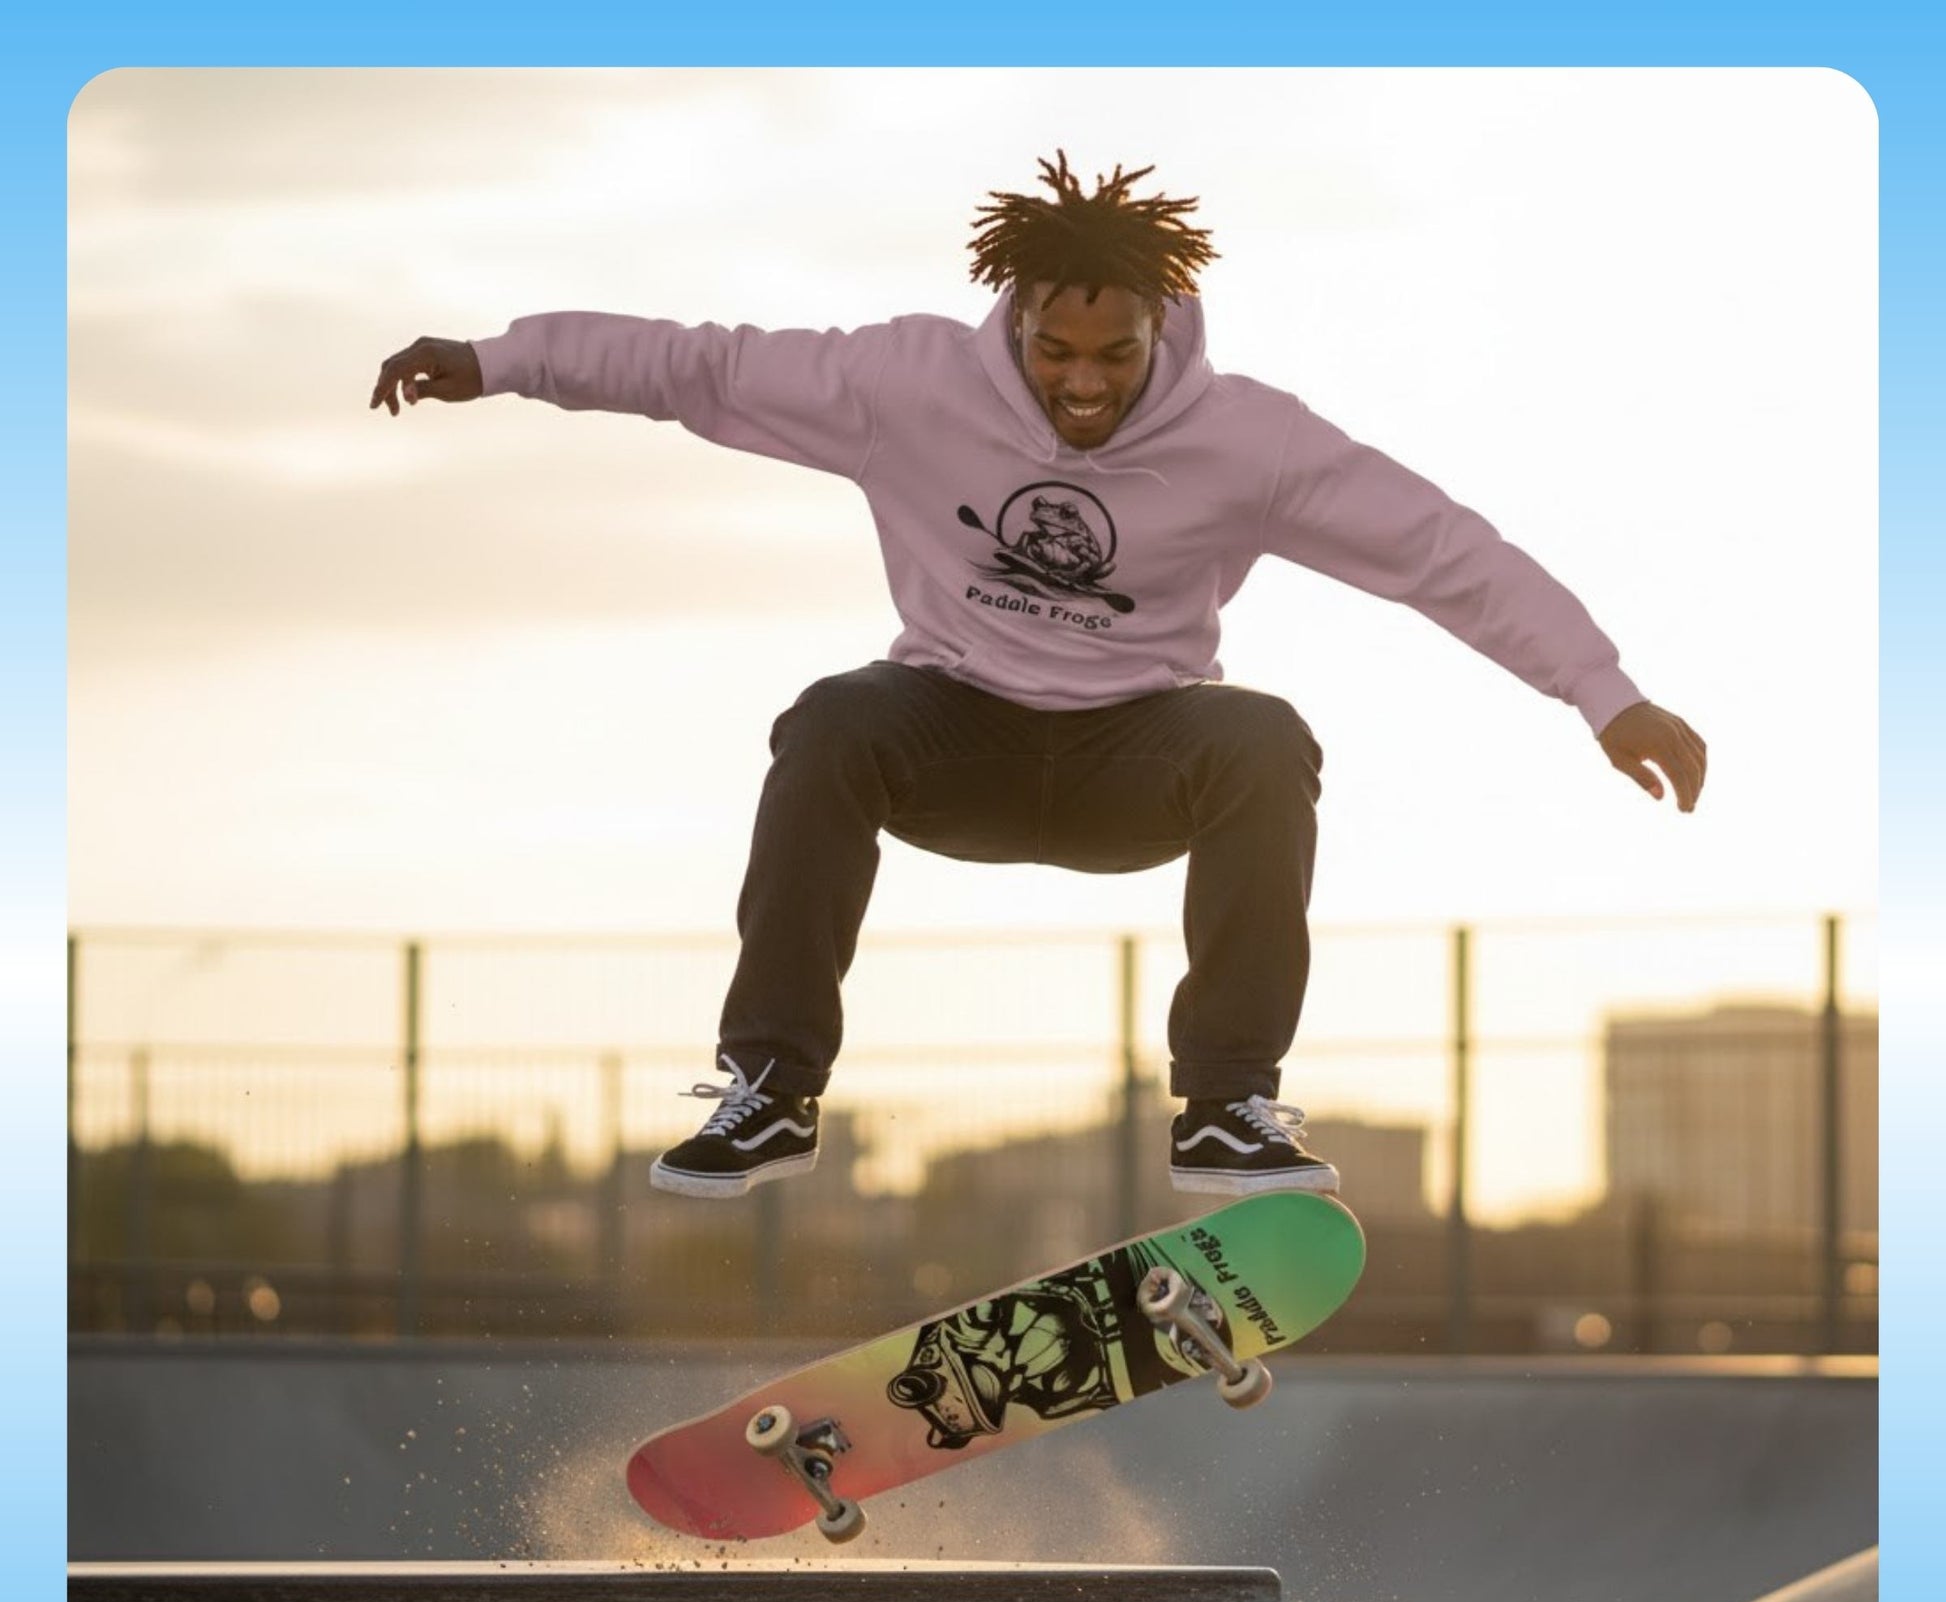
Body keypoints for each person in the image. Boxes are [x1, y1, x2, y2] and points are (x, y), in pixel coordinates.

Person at [370, 153, 1706, 1204]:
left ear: (1158, 333)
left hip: (1138, 758)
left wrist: (1601, 689)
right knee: (830, 719)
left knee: (1259, 736)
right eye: (1053, 356)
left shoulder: (1248, 441)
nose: (1080, 388)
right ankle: (770, 1085)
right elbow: (702, 368)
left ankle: (1226, 1104)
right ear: (1011, 322)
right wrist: (503, 361)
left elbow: (1437, 551)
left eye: (1112, 360)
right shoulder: (902, 382)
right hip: (950, 736)